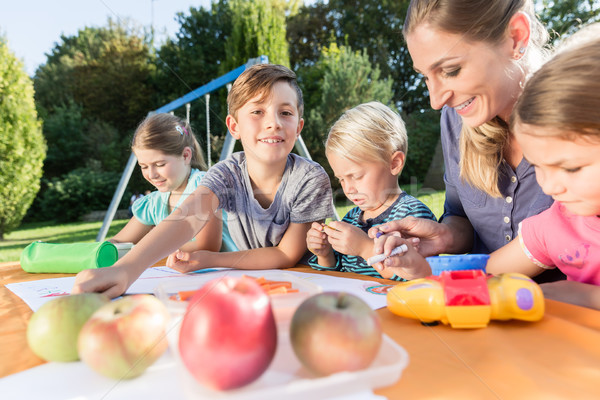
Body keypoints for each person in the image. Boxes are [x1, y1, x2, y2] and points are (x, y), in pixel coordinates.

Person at [72, 64, 335, 298]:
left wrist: (211, 258)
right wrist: (126, 270)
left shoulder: (310, 179)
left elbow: (285, 255)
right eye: (257, 111)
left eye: (285, 113)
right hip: (254, 287)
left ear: (298, 127)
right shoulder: (226, 173)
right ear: (234, 127)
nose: (273, 123)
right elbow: (188, 217)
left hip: (307, 287)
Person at [370, 0, 564, 283]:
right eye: (425, 77)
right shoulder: (456, 117)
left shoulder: (581, 123)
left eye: (450, 70)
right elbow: (460, 216)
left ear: (516, 37)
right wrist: (444, 237)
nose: (436, 101)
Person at [485, 24, 600, 310]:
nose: (549, 186)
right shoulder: (556, 225)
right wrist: (417, 266)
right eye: (537, 165)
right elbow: (486, 276)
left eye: (571, 168)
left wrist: (586, 297)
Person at [306, 102, 436, 280]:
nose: (348, 189)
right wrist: (325, 254)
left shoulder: (412, 217)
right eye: (341, 179)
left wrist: (364, 247)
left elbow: (419, 277)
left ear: (394, 163)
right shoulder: (351, 219)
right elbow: (335, 276)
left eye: (356, 176)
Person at [109, 113, 224, 253]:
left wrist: (150, 245)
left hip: (231, 273)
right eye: (144, 166)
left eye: (160, 164)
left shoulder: (203, 186)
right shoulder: (153, 204)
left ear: (186, 156)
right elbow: (118, 242)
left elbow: (207, 247)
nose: (151, 174)